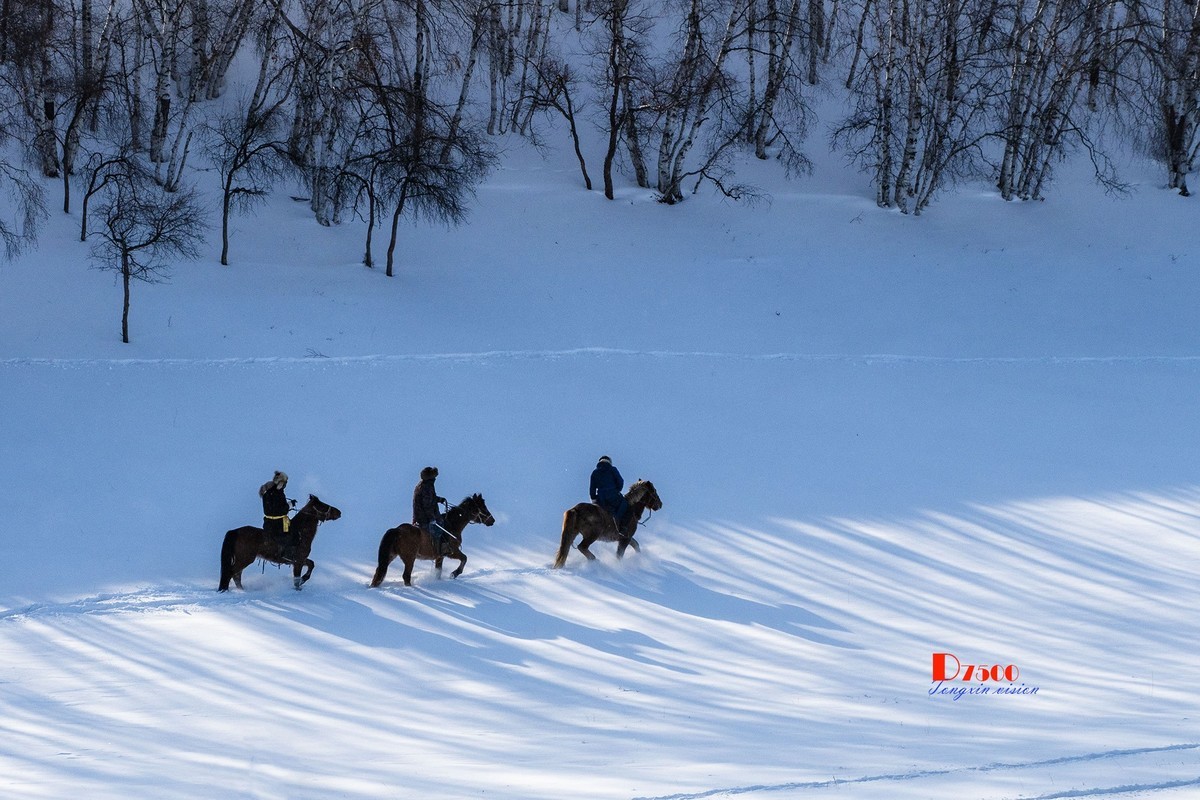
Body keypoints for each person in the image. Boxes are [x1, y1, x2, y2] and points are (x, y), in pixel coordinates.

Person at [412, 466, 452, 555]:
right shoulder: (427, 487)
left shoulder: (420, 485)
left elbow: (430, 499)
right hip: (425, 517)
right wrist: (432, 518)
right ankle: (440, 551)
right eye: (434, 477)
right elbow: (427, 505)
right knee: (441, 527)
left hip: (418, 516)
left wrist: (439, 499)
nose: (435, 479)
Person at [260, 470, 296, 556]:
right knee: (291, 535)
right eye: (285, 483)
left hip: (268, 523)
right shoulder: (277, 493)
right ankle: (285, 555)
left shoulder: (267, 493)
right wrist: (290, 505)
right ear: (281, 483)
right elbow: (281, 510)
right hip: (277, 524)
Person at [590, 455, 629, 531]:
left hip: (601, 498)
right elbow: (620, 481)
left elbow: (592, 488)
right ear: (609, 462)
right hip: (612, 495)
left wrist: (594, 499)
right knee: (625, 505)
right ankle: (621, 527)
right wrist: (618, 490)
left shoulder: (595, 472)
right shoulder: (612, 469)